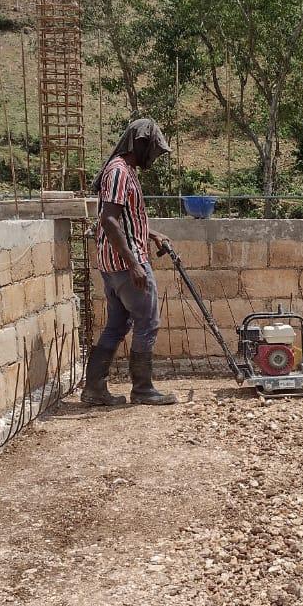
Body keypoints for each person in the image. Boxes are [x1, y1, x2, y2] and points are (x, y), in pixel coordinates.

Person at [82, 119, 178, 407]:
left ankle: (94, 389)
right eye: (153, 149)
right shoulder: (119, 172)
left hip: (112, 264)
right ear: (139, 142)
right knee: (148, 322)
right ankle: (143, 389)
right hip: (125, 264)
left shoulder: (124, 171)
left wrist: (152, 233)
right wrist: (134, 263)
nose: (154, 157)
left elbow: (123, 219)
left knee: (117, 324)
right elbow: (109, 220)